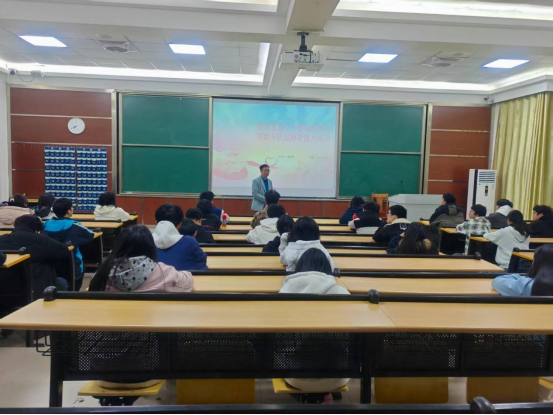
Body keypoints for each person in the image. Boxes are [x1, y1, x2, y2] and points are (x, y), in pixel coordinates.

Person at [88, 225, 194, 393]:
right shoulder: (162, 272)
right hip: (148, 365)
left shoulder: (100, 275)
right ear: (150, 247)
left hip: (100, 365)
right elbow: (188, 282)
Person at [280, 248, 349, 396]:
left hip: (294, 376)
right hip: (338, 376)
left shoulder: (284, 293)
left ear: (300, 268)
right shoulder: (343, 294)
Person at [0, 215, 72, 296]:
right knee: (62, 281)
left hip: (7, 288)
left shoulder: (2, 239)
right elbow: (65, 251)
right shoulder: (42, 240)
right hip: (41, 289)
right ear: (37, 228)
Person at [44, 198, 94, 291]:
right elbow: (90, 234)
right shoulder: (74, 225)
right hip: (72, 264)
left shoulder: (46, 224)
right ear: (68, 211)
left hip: (50, 264)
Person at [153, 204, 207, 271]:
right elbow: (202, 262)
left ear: (156, 222)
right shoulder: (190, 242)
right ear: (179, 224)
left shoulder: (145, 242)